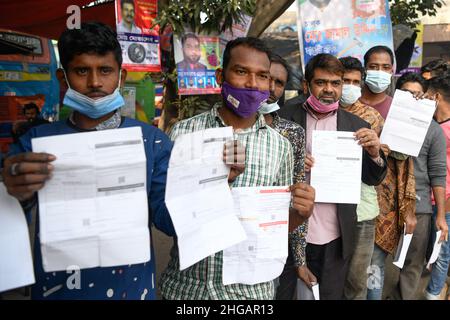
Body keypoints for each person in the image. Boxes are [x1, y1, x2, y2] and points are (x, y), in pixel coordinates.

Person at [2, 22, 173, 300]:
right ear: (62, 78)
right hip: (57, 290)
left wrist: (210, 182)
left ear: (121, 75)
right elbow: (12, 229)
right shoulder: (34, 143)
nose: (95, 82)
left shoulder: (152, 141)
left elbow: (168, 220)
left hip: (131, 291)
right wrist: (14, 195)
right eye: (82, 70)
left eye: (105, 70)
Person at [159, 37, 315, 300]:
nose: (253, 84)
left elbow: (274, 226)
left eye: (262, 76)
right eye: (241, 72)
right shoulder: (184, 133)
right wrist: (217, 183)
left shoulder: (280, 147)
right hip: (187, 289)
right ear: (221, 75)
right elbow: (167, 215)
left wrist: (301, 215)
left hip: (251, 294)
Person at [279, 53, 387, 300]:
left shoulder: (356, 125)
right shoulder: (284, 118)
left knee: (330, 294)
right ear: (307, 85)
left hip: (335, 234)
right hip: (291, 227)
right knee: (286, 294)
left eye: (335, 83)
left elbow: (372, 178)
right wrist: (291, 164)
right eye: (321, 82)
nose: (329, 89)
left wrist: (374, 154)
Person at [384, 72, 448, 300]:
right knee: (385, 266)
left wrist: (440, 216)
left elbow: (438, 175)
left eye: (416, 94)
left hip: (420, 210)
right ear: (396, 95)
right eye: (405, 94)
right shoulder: (383, 123)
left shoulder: (434, 131)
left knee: (412, 266)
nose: (411, 98)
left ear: (424, 97)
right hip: (386, 208)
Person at [257, 53, 308, 300]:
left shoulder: (292, 133)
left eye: (279, 83)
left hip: (273, 242)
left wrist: (299, 260)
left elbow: (297, 196)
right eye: (267, 78)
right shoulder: (226, 128)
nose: (272, 88)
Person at [337, 56, 385, 300]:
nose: (350, 87)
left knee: (358, 279)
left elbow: (383, 164)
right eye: (345, 81)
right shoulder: (320, 114)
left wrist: (375, 150)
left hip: (362, 209)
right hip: (328, 209)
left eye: (356, 82)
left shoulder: (372, 117)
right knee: (329, 277)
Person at [424, 74, 450, 300]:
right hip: (427, 200)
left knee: (441, 253)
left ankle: (433, 294)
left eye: (428, 95)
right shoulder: (430, 125)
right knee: (431, 252)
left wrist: (445, 210)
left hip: (446, 204)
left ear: (437, 97)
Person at [359, 46, 395, 120]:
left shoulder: (395, 107)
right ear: (365, 70)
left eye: (386, 67)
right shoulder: (348, 102)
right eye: (373, 67)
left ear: (391, 71)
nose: (379, 72)